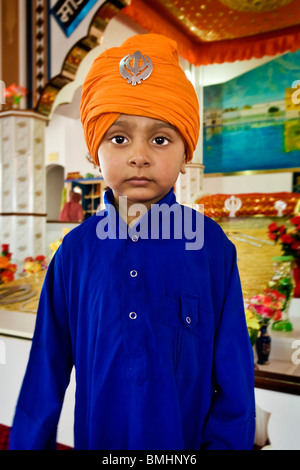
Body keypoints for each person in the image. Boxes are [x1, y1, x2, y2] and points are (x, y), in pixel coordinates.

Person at [10, 34, 255, 450]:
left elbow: (234, 381)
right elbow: (44, 376)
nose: (138, 155)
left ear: (184, 152)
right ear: (94, 152)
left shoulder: (210, 248)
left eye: (160, 139)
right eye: (119, 138)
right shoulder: (74, 254)